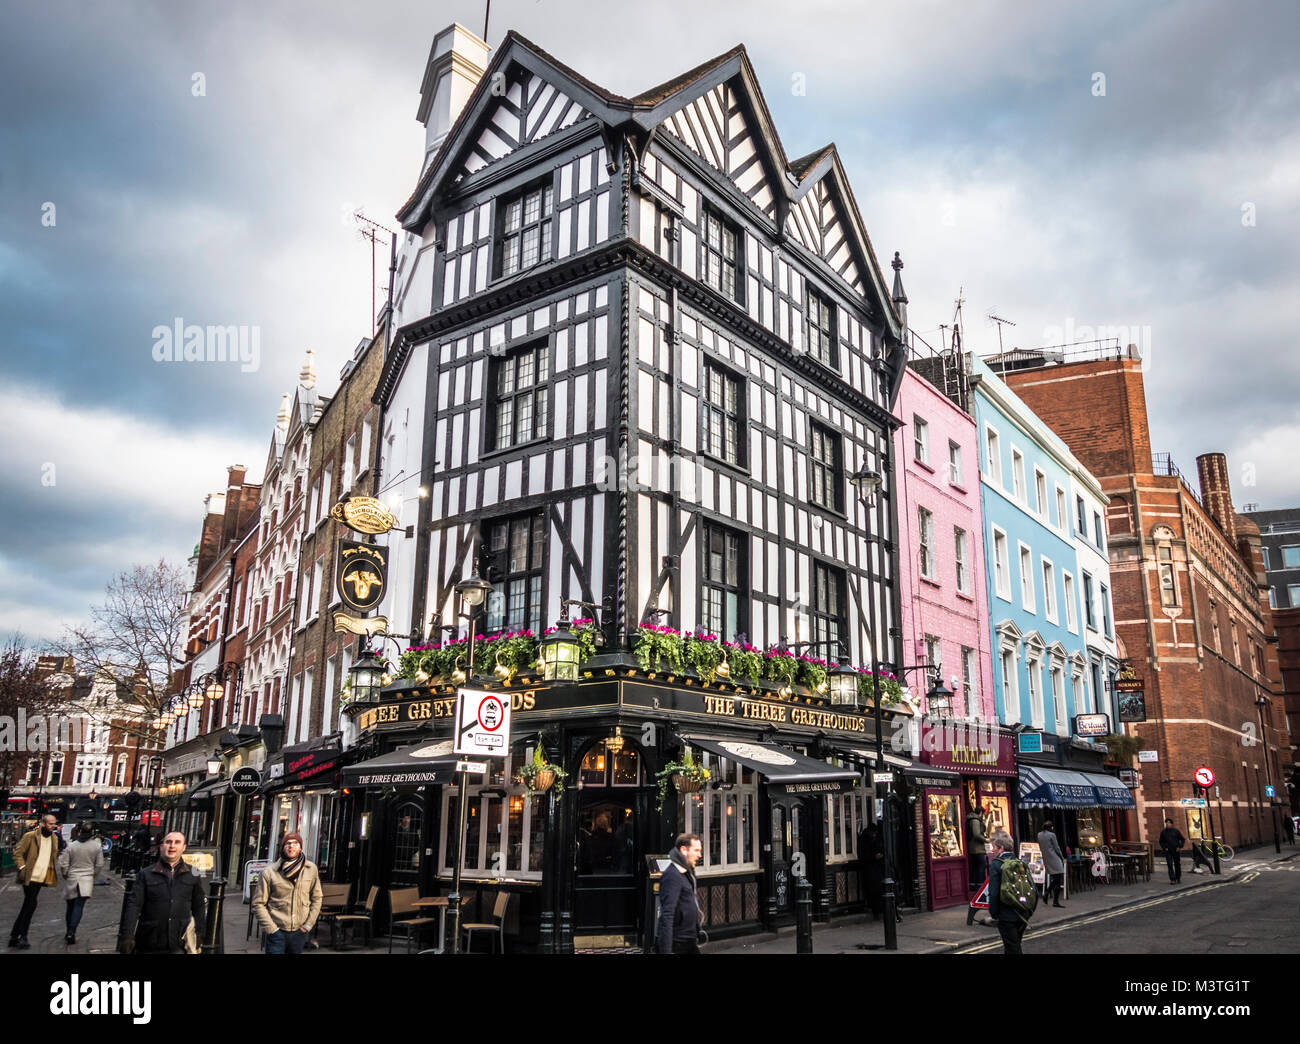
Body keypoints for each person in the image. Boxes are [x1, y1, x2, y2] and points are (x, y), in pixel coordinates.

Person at [118, 831, 206, 954]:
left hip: (179, 942)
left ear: (183, 848)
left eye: (177, 842)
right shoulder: (146, 874)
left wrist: (200, 933)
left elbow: (199, 906)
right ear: (161, 846)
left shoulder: (192, 874)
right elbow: (133, 905)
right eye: (168, 842)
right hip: (149, 941)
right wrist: (127, 936)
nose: (172, 846)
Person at [251, 832, 323, 954]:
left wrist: (307, 926)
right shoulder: (269, 872)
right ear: (283, 847)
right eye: (288, 844)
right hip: (277, 932)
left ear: (300, 847)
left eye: (295, 843)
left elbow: (317, 898)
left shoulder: (311, 869)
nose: (291, 846)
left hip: (299, 932)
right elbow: (258, 904)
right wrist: (271, 929)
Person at [9, 814, 62, 949]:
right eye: (50, 823)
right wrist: (22, 868)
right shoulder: (30, 836)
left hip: (42, 877)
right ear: (43, 823)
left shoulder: (54, 838)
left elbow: (53, 856)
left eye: (54, 823)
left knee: (28, 905)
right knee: (31, 904)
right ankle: (23, 936)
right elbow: (18, 854)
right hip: (29, 876)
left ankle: (15, 936)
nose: (53, 826)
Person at [58, 824, 106, 944]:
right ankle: (71, 932)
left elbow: (64, 864)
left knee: (70, 907)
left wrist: (65, 874)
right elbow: (100, 864)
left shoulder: (72, 845)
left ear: (79, 832)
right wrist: (93, 875)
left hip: (72, 877)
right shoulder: (96, 846)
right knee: (78, 906)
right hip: (87, 879)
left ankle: (68, 931)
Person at [656, 833, 702, 955]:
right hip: (678, 944)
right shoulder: (672, 875)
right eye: (696, 850)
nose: (699, 855)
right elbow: (667, 914)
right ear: (684, 850)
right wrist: (666, 950)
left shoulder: (686, 872)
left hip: (688, 941)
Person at [986, 831, 1029, 954]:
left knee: (1012, 948)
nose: (992, 850)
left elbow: (993, 893)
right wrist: (1028, 911)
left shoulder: (996, 864)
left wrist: (994, 913)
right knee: (1013, 945)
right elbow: (1033, 889)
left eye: (994, 847)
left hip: (1006, 915)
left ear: (1001, 848)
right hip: (1023, 913)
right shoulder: (1021, 862)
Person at [858, 822, 885, 919]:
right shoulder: (864, 840)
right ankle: (876, 910)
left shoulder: (876, 839)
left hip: (877, 868)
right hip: (869, 869)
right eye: (873, 833)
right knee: (873, 891)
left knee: (878, 889)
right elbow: (862, 856)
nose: (875, 835)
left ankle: (879, 909)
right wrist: (874, 857)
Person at [966, 806, 988, 891]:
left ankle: (973, 885)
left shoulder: (973, 819)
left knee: (976, 866)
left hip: (974, 847)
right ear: (981, 813)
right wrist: (986, 840)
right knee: (982, 865)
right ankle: (980, 886)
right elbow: (976, 834)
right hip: (977, 848)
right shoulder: (975, 820)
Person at [1158, 818, 1186, 882]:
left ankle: (1178, 878)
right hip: (1168, 851)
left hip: (1176, 850)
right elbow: (1161, 841)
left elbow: (1182, 839)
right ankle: (1172, 879)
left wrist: (1180, 846)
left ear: (1171, 824)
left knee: (1177, 864)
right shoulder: (1163, 832)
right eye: (1166, 823)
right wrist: (1164, 848)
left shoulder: (1176, 831)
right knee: (1170, 865)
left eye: (1168, 823)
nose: (1167, 824)